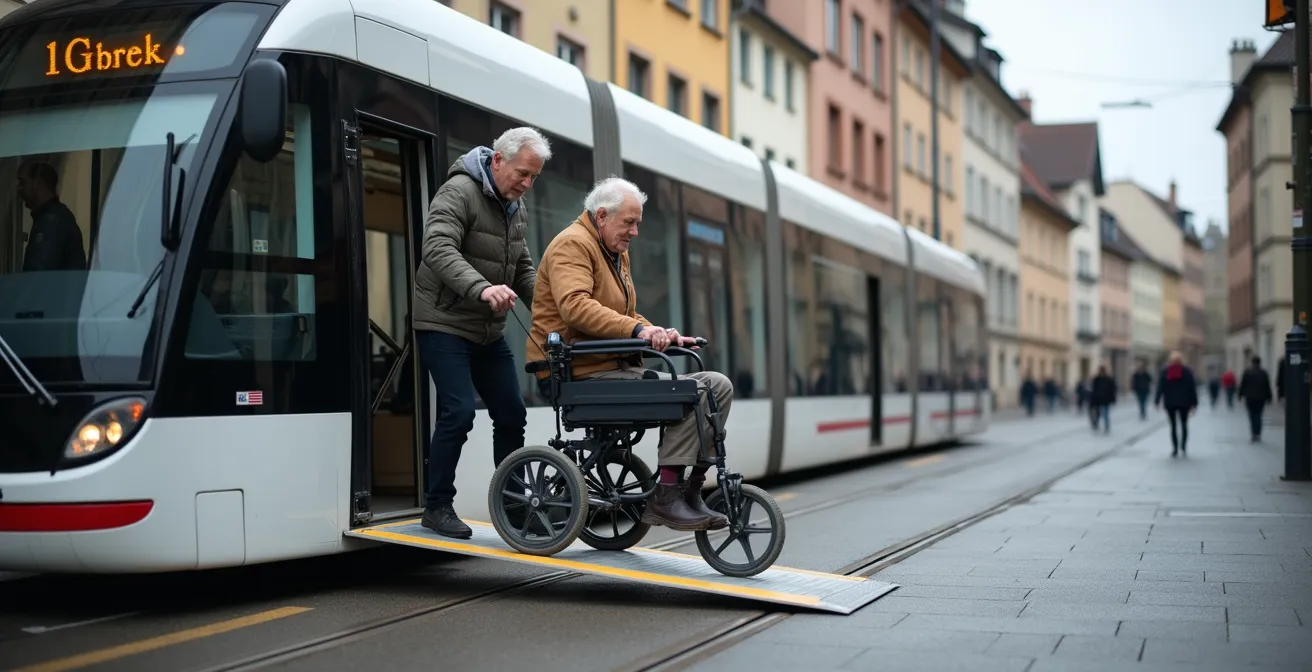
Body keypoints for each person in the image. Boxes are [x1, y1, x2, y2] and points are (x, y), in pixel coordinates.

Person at [526, 176, 732, 532]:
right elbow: (576, 307)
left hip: (612, 366)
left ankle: (690, 490)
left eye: (637, 223)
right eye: (630, 223)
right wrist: (638, 331)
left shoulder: (615, 251)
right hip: (579, 372)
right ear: (602, 216)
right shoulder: (572, 245)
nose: (635, 231)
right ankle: (665, 497)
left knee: (717, 384)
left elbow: (624, 314)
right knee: (692, 391)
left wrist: (662, 333)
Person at [413, 127, 551, 539]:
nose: (526, 184)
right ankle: (437, 506)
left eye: (534, 178)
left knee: (511, 411)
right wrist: (482, 287)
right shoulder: (459, 191)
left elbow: (522, 267)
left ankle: (511, 505)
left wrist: (550, 313)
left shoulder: (515, 206)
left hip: (487, 331)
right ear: (497, 160)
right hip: (444, 321)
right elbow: (437, 248)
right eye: (522, 174)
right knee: (457, 411)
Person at [17, 160, 86, 272]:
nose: (19, 188)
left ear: (38, 183)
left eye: (22, 182)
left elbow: (37, 277)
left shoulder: (52, 221)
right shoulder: (55, 216)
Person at [1154, 351, 1198, 457]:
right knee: (1184, 424)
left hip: (1170, 402)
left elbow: (1160, 387)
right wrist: (1194, 403)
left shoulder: (1165, 371)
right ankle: (1183, 446)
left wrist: (1157, 400)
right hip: (1184, 402)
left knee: (1173, 425)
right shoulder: (1187, 371)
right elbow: (1192, 388)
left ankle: (1175, 448)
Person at [1237, 356, 1274, 443]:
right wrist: (1269, 397)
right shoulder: (1263, 373)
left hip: (1250, 398)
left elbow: (1243, 384)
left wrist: (1240, 395)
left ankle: (1254, 433)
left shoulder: (1247, 372)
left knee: (1252, 415)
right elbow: (1267, 386)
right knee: (1259, 415)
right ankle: (1258, 433)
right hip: (1261, 398)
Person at [1089, 365, 1115, 434]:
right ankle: (1096, 424)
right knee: (1098, 413)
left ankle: (1106, 426)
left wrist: (1112, 399)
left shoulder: (1109, 379)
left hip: (1106, 400)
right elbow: (1093, 390)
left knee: (1105, 413)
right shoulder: (1096, 379)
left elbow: (1112, 390)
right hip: (1098, 399)